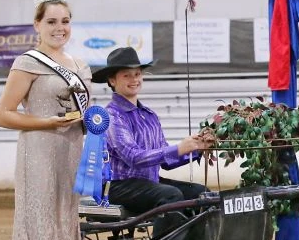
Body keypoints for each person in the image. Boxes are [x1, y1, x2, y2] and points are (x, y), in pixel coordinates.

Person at [0, 0, 96, 240]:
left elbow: (87, 113)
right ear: (37, 25)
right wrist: (44, 122)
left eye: (65, 21)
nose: (59, 27)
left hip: (70, 153)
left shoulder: (78, 63)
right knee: (41, 231)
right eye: (51, 21)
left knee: (65, 230)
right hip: (39, 152)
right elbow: (3, 114)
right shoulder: (28, 62)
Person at [91, 47, 212, 219]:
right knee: (170, 195)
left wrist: (196, 149)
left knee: (202, 194)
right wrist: (179, 148)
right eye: (127, 75)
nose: (134, 79)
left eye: (137, 74)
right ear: (112, 80)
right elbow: (134, 157)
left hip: (148, 183)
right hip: (117, 186)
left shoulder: (149, 115)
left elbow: (165, 162)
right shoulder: (112, 116)